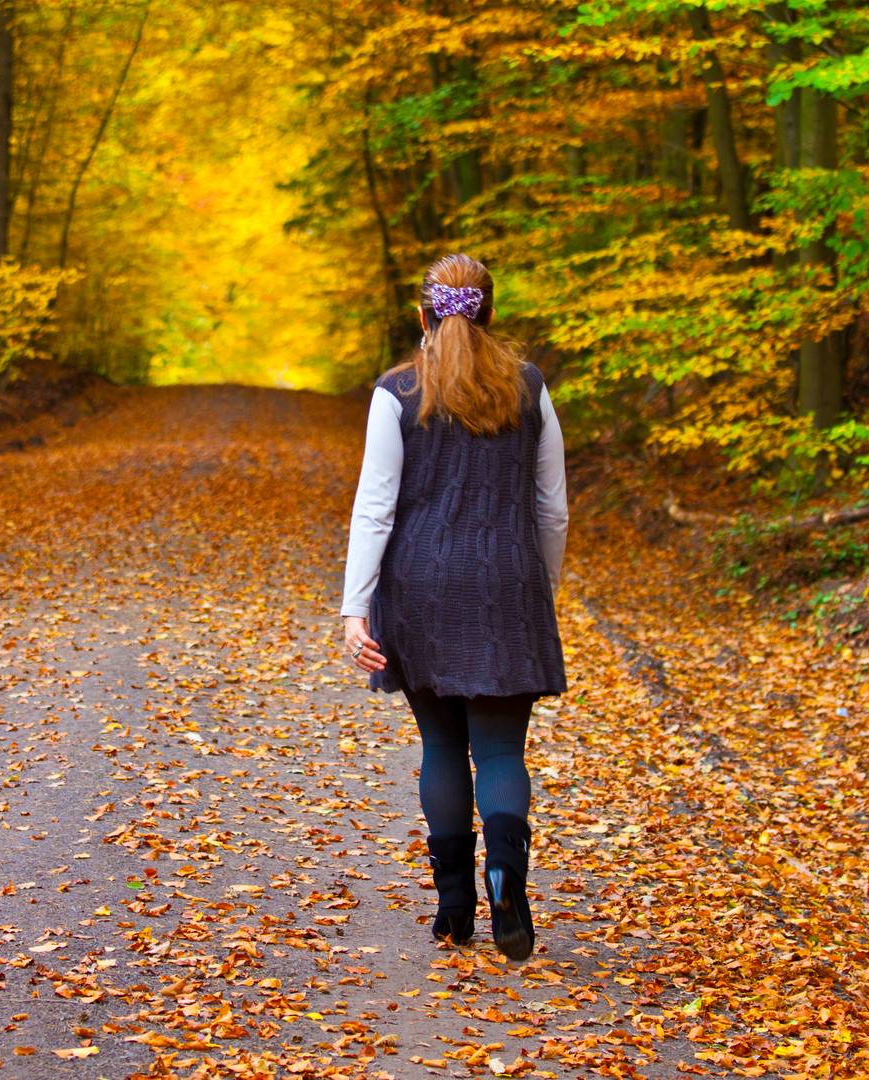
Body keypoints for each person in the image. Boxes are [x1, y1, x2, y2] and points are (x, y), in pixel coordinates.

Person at [341, 254, 567, 962]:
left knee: (442, 745)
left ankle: (451, 906)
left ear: (423, 314)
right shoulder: (529, 388)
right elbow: (550, 506)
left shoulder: (395, 391)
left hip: (421, 588)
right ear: (489, 312)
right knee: (500, 748)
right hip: (507, 585)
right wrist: (538, 585)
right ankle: (508, 888)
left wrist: (355, 607)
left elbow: (376, 508)